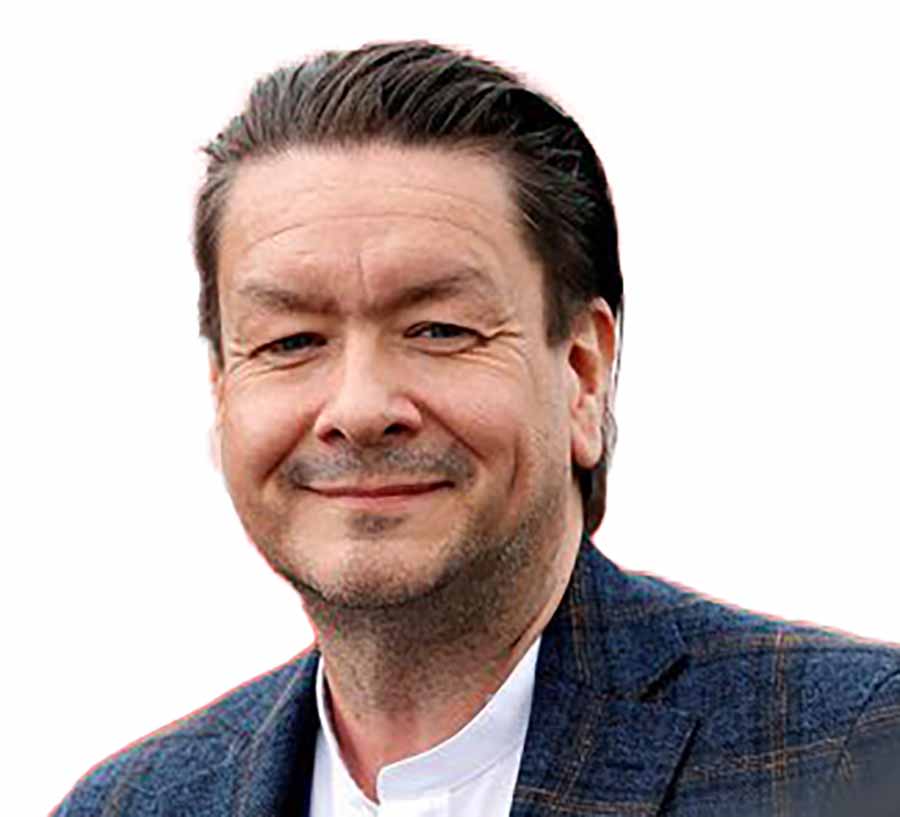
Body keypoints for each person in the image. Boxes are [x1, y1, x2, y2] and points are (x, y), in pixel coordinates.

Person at [51, 40, 900, 817]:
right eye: (292, 341)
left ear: (583, 375)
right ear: (223, 391)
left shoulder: (852, 751)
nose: (359, 408)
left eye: (439, 329)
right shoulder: (125, 805)